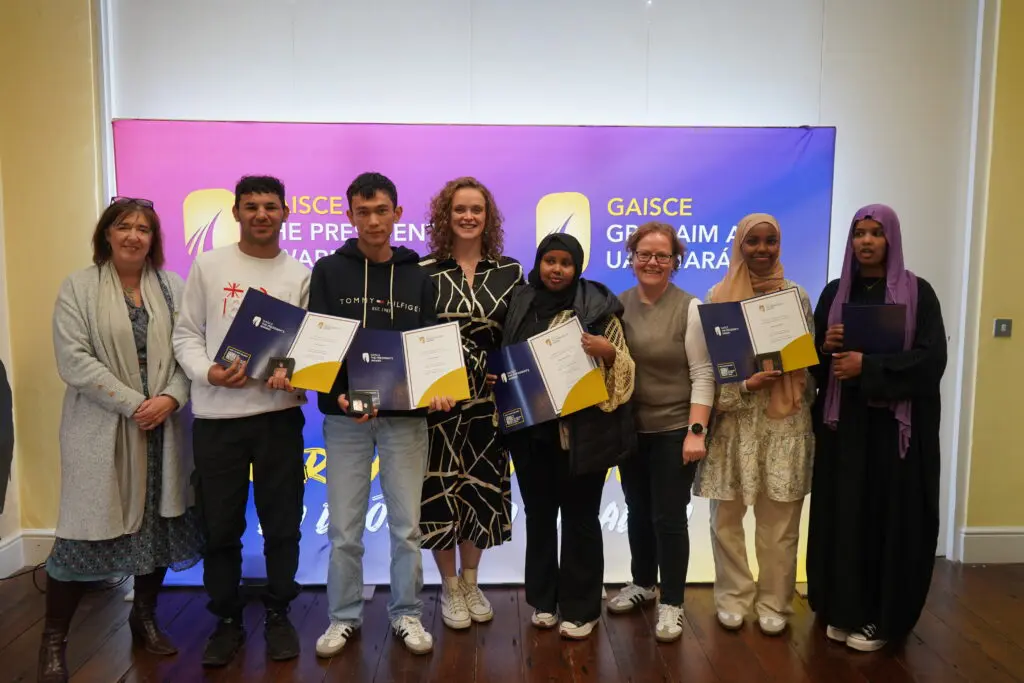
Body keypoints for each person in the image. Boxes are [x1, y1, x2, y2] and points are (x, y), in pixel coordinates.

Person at [41, 198, 201, 682]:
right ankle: (53, 641)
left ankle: (144, 616)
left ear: (154, 239)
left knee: (156, 528)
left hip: (164, 431)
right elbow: (74, 360)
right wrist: (136, 404)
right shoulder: (80, 287)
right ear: (106, 234)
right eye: (124, 226)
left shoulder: (172, 287)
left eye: (144, 229)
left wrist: (170, 398)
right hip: (103, 431)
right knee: (80, 537)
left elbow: (187, 352)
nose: (134, 235)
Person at [172, 176, 310, 667]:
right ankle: (226, 618)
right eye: (250, 206)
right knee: (221, 526)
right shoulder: (209, 265)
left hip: (277, 419)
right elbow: (186, 334)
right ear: (235, 213)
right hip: (217, 418)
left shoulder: (299, 274)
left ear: (285, 213)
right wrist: (206, 372)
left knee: (282, 525)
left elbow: (307, 349)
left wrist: (291, 374)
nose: (260, 214)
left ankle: (279, 612)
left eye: (270, 206)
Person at [310, 172, 440, 657]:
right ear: (349, 216)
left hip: (405, 418)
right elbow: (321, 345)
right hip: (347, 418)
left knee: (406, 526)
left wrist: (437, 389)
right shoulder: (328, 270)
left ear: (396, 214)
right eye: (362, 212)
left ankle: (406, 613)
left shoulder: (417, 275)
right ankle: (343, 617)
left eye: (381, 210)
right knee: (345, 528)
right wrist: (338, 396)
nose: (372, 220)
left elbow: (428, 344)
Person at [807, 204, 946, 652]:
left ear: (892, 239)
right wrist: (824, 347)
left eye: (875, 233)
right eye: (858, 233)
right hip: (843, 430)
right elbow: (813, 365)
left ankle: (881, 620)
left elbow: (930, 361)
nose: (865, 241)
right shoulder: (834, 293)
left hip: (895, 434)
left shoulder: (917, 294)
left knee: (887, 521)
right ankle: (841, 609)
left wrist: (869, 366)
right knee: (845, 518)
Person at [502, 233, 636, 640]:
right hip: (531, 435)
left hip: (580, 435)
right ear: (539, 263)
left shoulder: (599, 309)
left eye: (565, 262)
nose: (556, 269)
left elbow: (625, 370)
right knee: (540, 518)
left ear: (577, 267)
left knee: (579, 519)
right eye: (549, 261)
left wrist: (607, 351)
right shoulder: (519, 304)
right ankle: (544, 601)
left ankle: (581, 608)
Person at [693, 213, 815, 636]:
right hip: (734, 422)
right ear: (739, 246)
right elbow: (711, 366)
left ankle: (775, 601)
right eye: (753, 242)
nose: (762, 250)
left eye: (771, 241)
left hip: (784, 422)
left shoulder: (796, 296)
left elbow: (807, 361)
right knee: (725, 519)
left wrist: (790, 372)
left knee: (779, 523)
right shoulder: (717, 295)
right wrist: (745, 383)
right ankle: (732, 597)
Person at [417, 177, 524, 631]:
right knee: (440, 490)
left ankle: (472, 580)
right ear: (445, 215)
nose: (467, 216)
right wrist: (427, 385)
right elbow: (414, 337)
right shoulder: (422, 271)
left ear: (488, 217)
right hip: (438, 403)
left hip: (489, 402)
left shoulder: (510, 271)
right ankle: (449, 586)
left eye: (476, 209)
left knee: (480, 489)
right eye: (459, 209)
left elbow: (517, 334)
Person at [608, 222, 715, 643]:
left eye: (662, 255)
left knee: (668, 519)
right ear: (631, 258)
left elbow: (704, 374)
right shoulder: (617, 305)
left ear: (675, 262)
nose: (652, 262)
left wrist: (696, 432)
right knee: (637, 512)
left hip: (675, 429)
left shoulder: (690, 308)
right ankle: (643, 584)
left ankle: (672, 602)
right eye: (644, 254)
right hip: (632, 431)